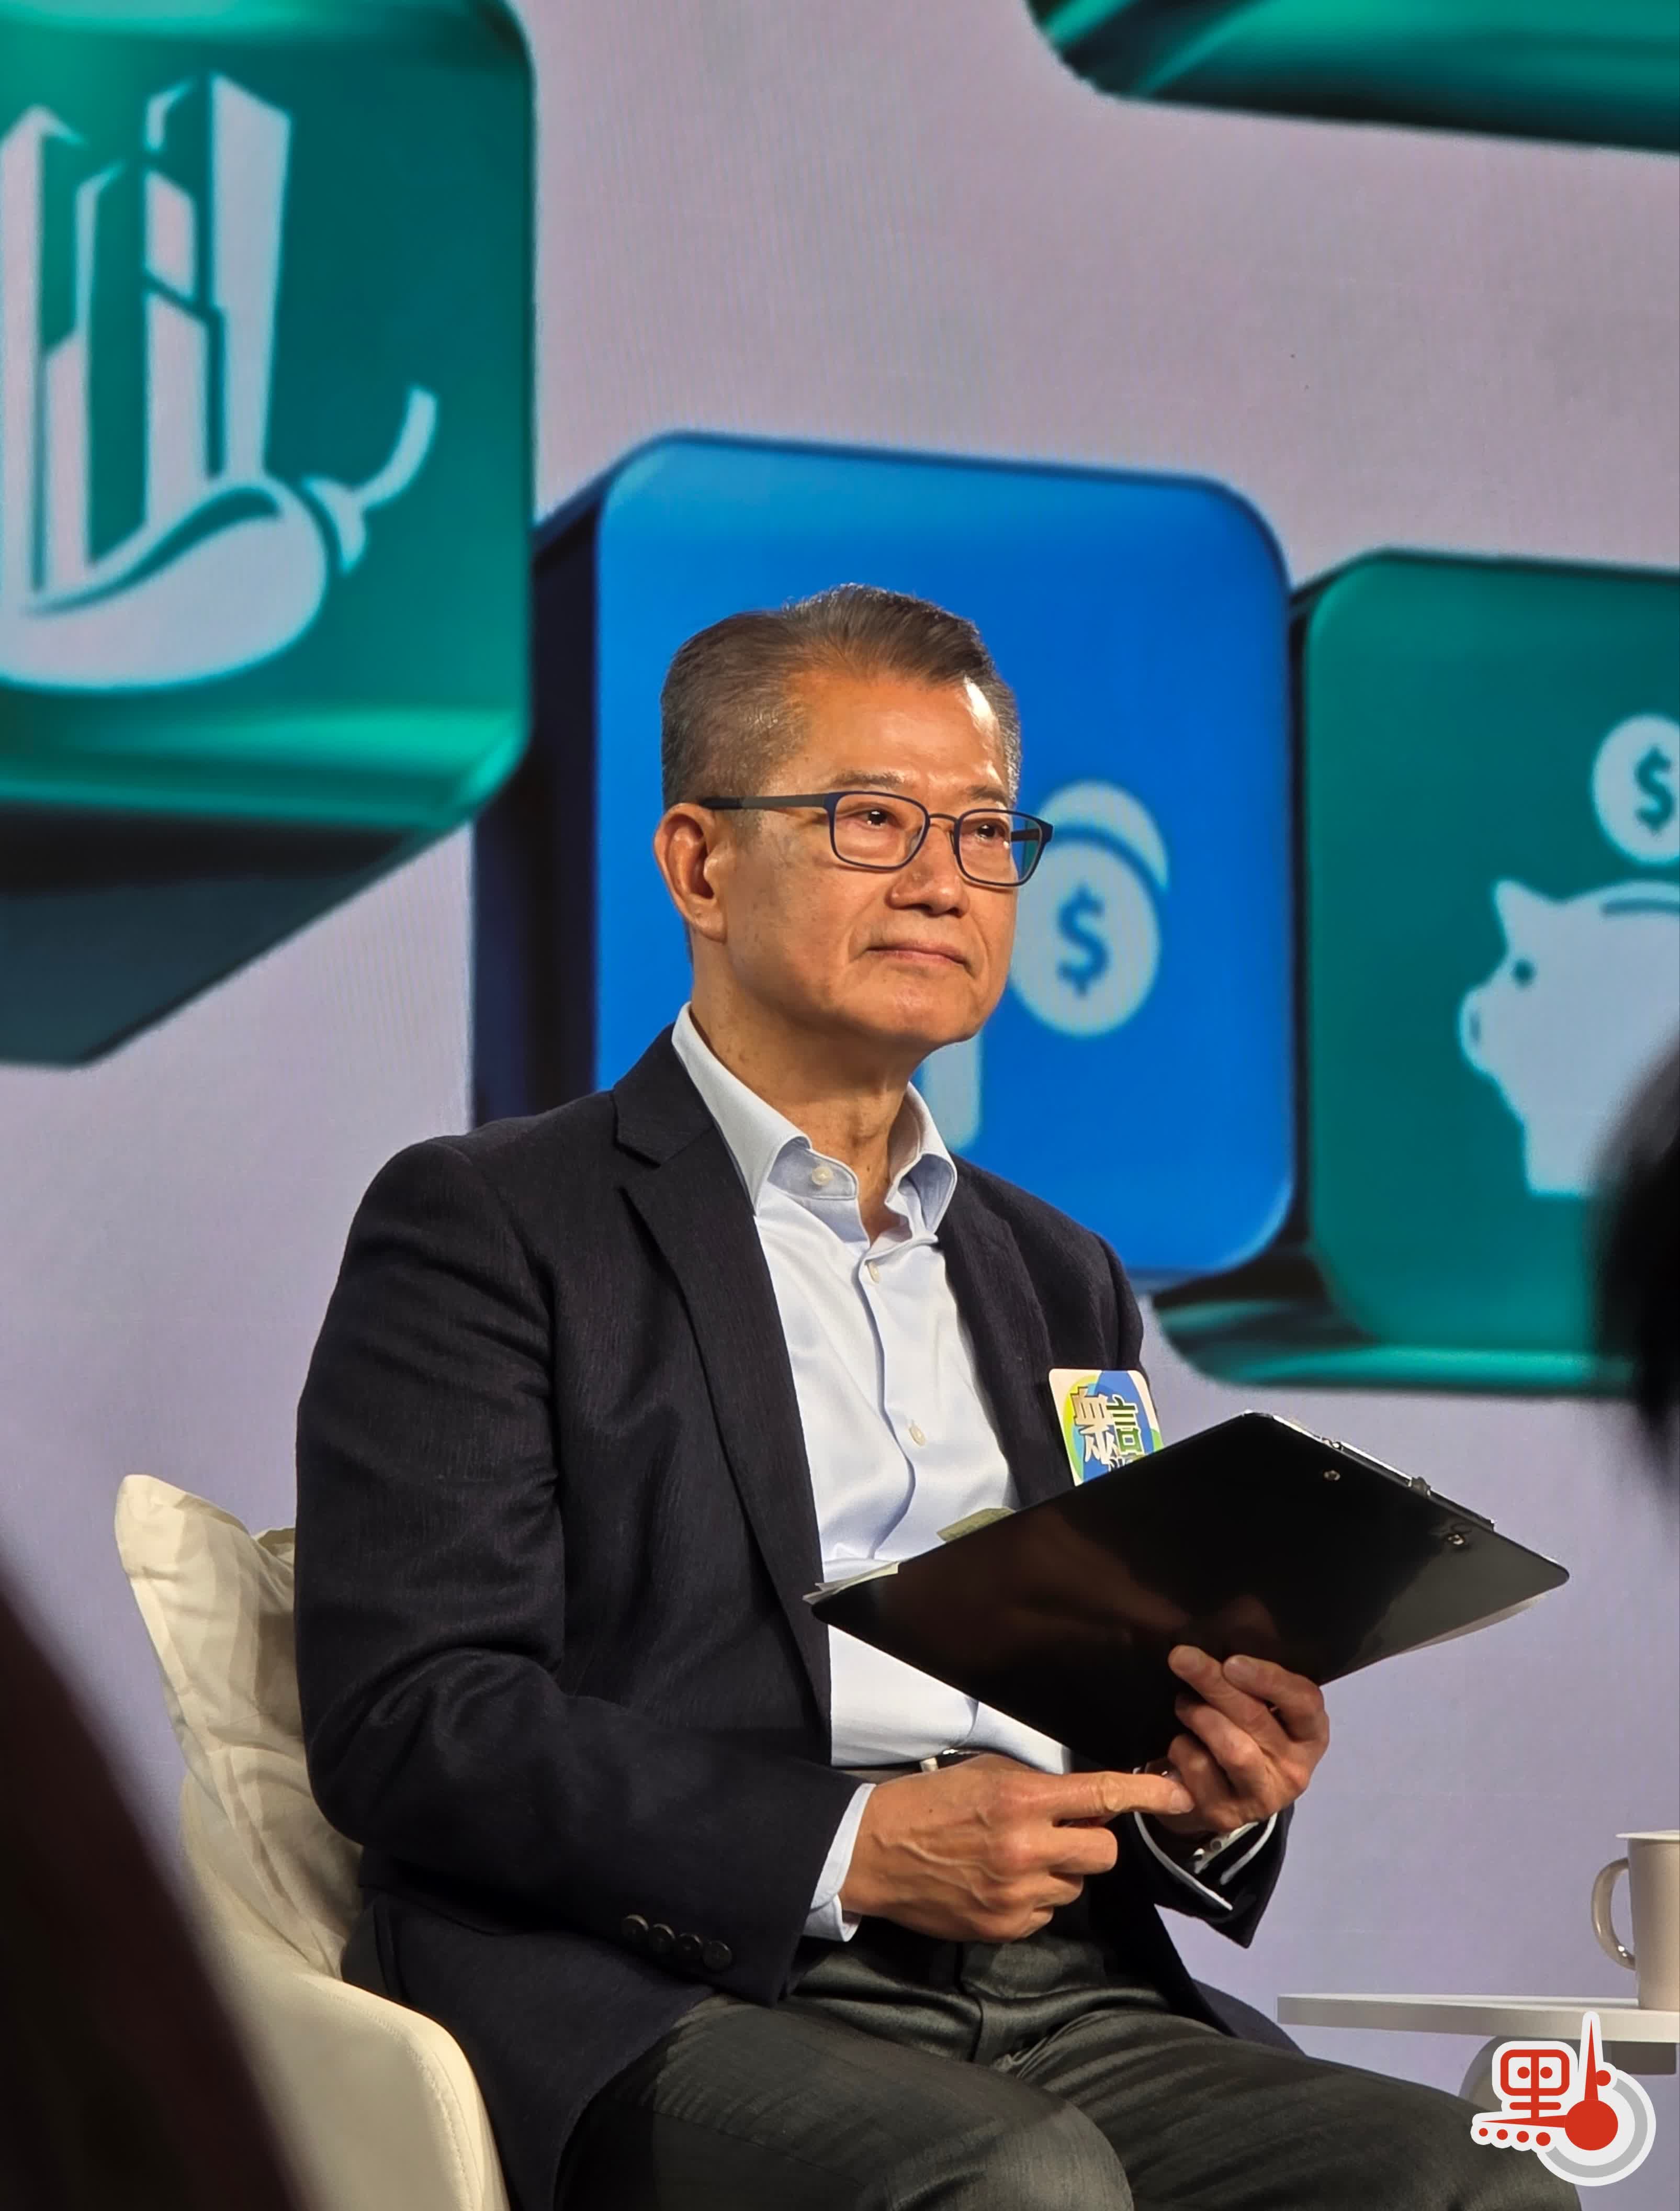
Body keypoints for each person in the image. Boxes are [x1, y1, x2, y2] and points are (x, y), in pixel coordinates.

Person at [295, 586, 1571, 2210]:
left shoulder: (1061, 1273)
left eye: (982, 832)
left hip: (1070, 1991)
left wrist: (1206, 1782)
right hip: (681, 1986)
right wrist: (847, 1846)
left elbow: (1104, 1672)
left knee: (1479, 2184)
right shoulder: (494, 1223)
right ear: (698, 864)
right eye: (870, 819)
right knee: (1019, 2185)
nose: (940, 880)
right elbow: (415, 1715)